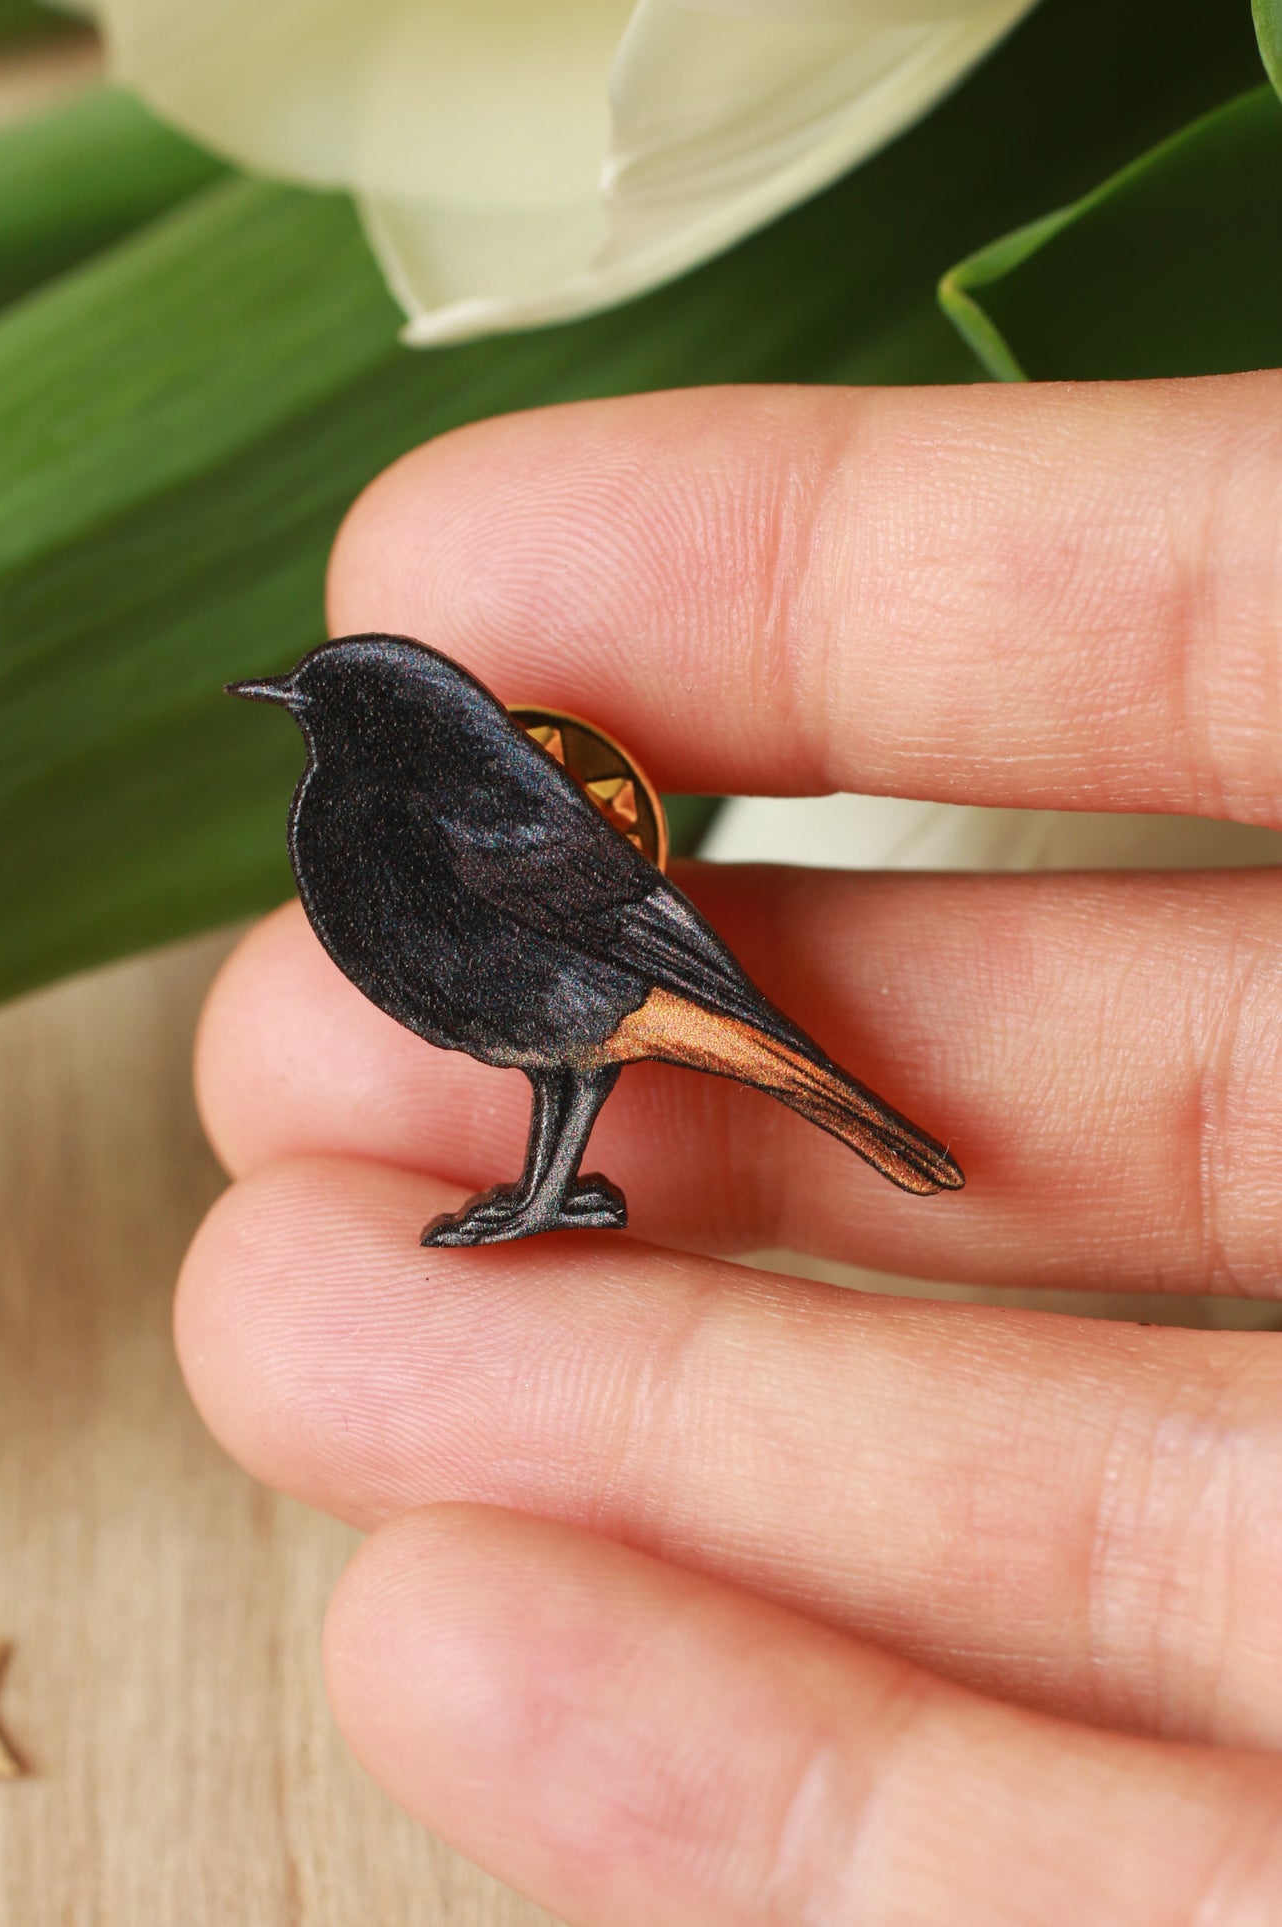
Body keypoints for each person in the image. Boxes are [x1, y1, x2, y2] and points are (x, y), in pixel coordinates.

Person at [177, 372, 1282, 1924]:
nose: (311, 716)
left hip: (616, 976)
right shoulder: (401, 802)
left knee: (581, 1048)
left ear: (380, 729)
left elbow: (625, 929)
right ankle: (551, 1188)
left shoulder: (430, 806)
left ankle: (569, 1185)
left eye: (331, 705)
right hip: (571, 1000)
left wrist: (744, 1019)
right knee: (564, 1060)